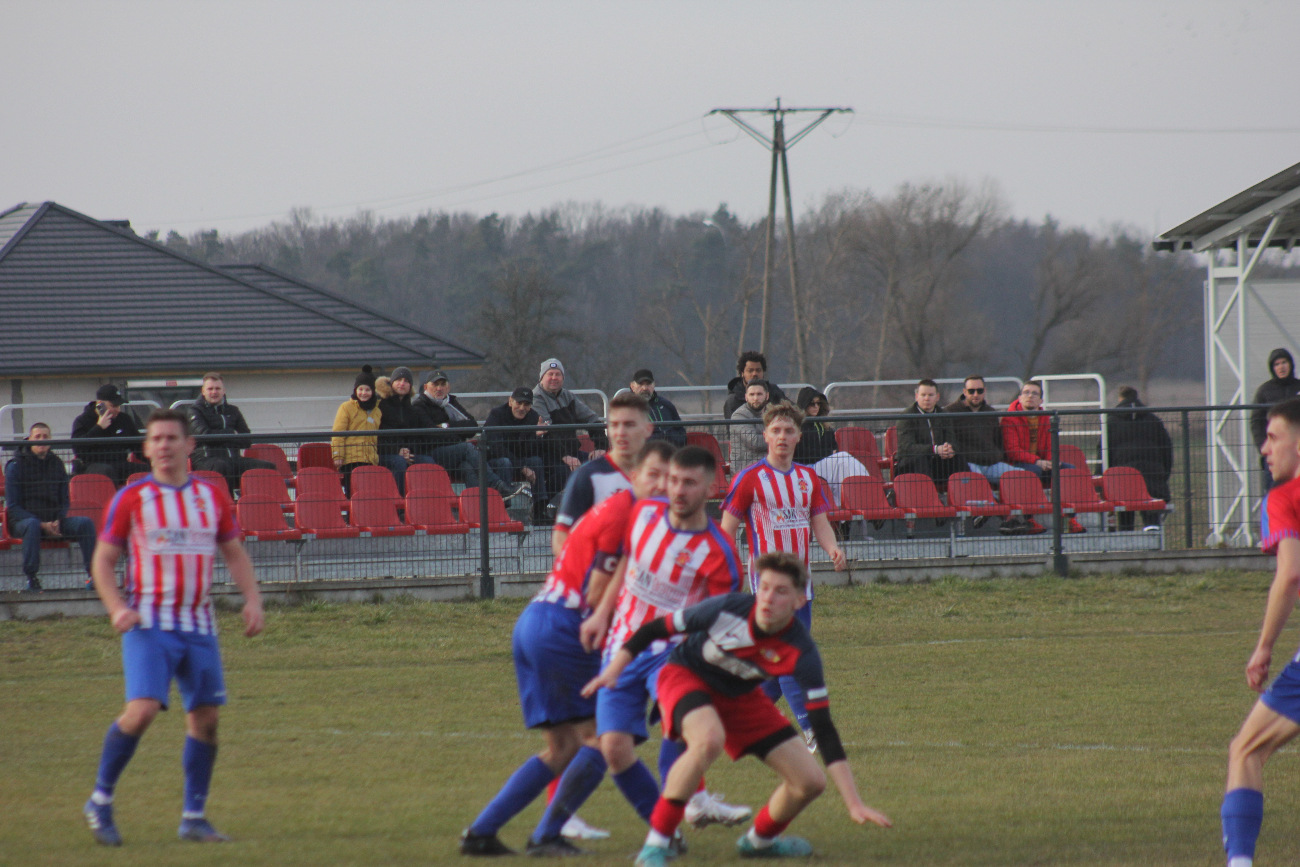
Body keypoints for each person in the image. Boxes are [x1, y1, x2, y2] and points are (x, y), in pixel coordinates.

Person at [583, 552, 891, 867]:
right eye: (765, 587)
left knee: (810, 781)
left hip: (740, 696)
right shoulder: (728, 608)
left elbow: (823, 728)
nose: (768, 598)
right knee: (708, 739)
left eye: (781, 591)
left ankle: (759, 842)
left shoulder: (801, 651)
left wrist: (854, 804)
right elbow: (652, 630)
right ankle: (656, 845)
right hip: (685, 675)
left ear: (800, 600)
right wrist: (613, 670)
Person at [526, 446, 750, 854]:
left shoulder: (720, 554)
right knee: (613, 747)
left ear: (711, 488)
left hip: (672, 658)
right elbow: (626, 565)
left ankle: (667, 831)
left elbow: (721, 623)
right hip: (622, 648)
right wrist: (600, 616)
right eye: (672, 481)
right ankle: (675, 827)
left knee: (682, 731)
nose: (677, 490)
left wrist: (705, 669)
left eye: (689, 483)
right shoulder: (645, 514)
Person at [459, 441, 675, 856]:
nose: (664, 485)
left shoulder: (629, 513)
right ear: (635, 476)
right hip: (565, 628)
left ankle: (481, 833)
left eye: (671, 478)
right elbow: (597, 596)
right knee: (602, 738)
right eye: (655, 475)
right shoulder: (626, 515)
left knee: (564, 747)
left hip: (537, 620)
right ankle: (560, 835)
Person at [82, 408, 263, 847]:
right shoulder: (133, 497)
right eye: (156, 439)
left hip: (198, 622)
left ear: (189, 446)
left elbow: (234, 551)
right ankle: (100, 800)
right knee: (142, 710)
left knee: (206, 720)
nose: (163, 445)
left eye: (171, 438)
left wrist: (253, 600)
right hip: (148, 621)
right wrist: (116, 608)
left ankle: (193, 817)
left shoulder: (210, 496)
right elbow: (103, 560)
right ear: (146, 449)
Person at [721, 402, 847, 750]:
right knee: (790, 654)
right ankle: (811, 728)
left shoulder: (808, 479)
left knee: (779, 661)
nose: (782, 437)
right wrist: (726, 567)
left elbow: (819, 521)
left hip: (800, 586)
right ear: (765, 435)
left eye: (788, 431)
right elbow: (727, 528)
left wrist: (833, 548)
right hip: (767, 588)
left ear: (798, 436)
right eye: (775, 430)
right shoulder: (750, 479)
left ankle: (739, 717)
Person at [1219, 397, 1300, 867]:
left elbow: (1289, 574)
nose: (1264, 450)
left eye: (1272, 437)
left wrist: (1263, 648)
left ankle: (1240, 863)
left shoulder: (1283, 498)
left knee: (1245, 750)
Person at [552, 392, 653, 557]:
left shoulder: (662, 478)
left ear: (648, 429)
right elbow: (560, 537)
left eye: (629, 425)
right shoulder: (587, 476)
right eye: (614, 425)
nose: (620, 432)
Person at [5, 422, 96, 592]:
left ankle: (93, 576)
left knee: (85, 523)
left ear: (51, 441)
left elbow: (64, 499)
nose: (41, 440)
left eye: (45, 436)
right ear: (28, 439)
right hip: (24, 523)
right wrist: (41, 524)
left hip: (54, 521)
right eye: (37, 436)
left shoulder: (57, 464)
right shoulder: (14, 466)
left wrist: (58, 520)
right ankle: (31, 579)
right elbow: (13, 507)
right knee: (32, 525)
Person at [411, 369, 523, 500]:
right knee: (467, 448)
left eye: (442, 384)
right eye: (435, 384)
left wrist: (448, 426)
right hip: (433, 453)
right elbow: (432, 435)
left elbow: (472, 426)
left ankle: (478, 509)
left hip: (455, 453)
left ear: (448, 387)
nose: (439, 388)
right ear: (426, 387)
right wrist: (458, 434)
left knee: (468, 467)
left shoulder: (451, 403)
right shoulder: (419, 406)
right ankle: (497, 485)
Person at [532, 358, 609, 505]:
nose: (554, 378)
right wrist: (564, 456)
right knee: (564, 473)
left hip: (572, 452)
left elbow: (591, 419)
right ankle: (538, 507)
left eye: (558, 374)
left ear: (563, 378)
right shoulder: (536, 398)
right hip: (545, 453)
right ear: (542, 377)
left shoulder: (568, 396)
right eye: (550, 374)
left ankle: (596, 510)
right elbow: (548, 433)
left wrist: (600, 447)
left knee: (601, 465)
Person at [187, 373, 274, 495]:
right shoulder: (195, 411)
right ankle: (229, 506)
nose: (214, 392)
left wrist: (221, 437)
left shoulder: (233, 411)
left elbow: (246, 440)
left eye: (217, 388)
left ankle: (260, 506)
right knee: (222, 466)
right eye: (210, 389)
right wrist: (230, 434)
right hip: (205, 460)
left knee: (267, 467)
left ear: (224, 391)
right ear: (203, 391)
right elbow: (204, 435)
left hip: (233, 459)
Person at [1106, 386, 1173, 531]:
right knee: (1151, 515)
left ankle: (1126, 545)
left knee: (1124, 513)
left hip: (1122, 478)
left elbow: (1104, 452)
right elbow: (1167, 451)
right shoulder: (1153, 420)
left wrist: (1104, 481)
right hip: (1152, 475)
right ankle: (1154, 545)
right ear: (1137, 397)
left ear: (1120, 398)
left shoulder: (1111, 421)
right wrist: (1163, 475)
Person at [794, 388, 871, 503]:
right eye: (812, 403)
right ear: (804, 405)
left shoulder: (823, 426)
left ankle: (863, 495)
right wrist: (827, 454)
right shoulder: (798, 427)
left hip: (822, 466)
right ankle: (853, 500)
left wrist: (827, 453)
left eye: (818, 403)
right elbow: (802, 453)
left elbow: (834, 447)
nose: (816, 406)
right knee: (843, 459)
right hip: (806, 469)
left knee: (846, 461)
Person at [484, 388, 549, 519]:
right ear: (510, 402)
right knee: (505, 462)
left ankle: (539, 509)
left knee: (536, 461)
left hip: (518, 461)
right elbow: (497, 448)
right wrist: (522, 467)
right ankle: (503, 510)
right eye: (518, 403)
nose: (521, 408)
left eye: (526, 405)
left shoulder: (534, 417)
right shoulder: (496, 414)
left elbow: (529, 451)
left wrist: (536, 437)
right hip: (494, 462)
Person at [945, 375, 1018, 483]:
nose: (976, 395)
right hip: (966, 464)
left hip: (991, 464)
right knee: (978, 484)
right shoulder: (950, 412)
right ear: (964, 392)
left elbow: (998, 440)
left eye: (979, 391)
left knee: (1023, 477)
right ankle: (993, 499)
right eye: (971, 391)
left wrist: (997, 455)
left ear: (985, 391)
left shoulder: (991, 413)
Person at [71, 384, 144, 486]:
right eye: (113, 406)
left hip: (120, 464)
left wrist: (154, 461)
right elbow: (78, 449)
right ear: (100, 404)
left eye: (119, 406)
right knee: (107, 471)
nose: (118, 409)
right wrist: (99, 428)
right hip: (93, 466)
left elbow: (138, 446)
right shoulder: (82, 421)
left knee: (146, 471)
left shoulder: (124, 419)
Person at [1251, 349, 1300, 492]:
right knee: (1274, 493)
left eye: (1284, 362)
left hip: (1297, 451)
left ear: (1291, 364)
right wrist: (1263, 446)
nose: (1281, 367)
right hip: (1276, 454)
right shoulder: (1264, 391)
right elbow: (1256, 421)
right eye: (1277, 364)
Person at [895, 380, 963, 482]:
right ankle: (929, 496)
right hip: (910, 465)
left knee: (958, 459)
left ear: (937, 397)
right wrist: (934, 449)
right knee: (921, 459)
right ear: (916, 396)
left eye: (930, 395)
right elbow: (907, 447)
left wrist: (948, 449)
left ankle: (965, 495)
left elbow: (952, 440)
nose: (927, 398)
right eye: (923, 395)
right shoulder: (906, 417)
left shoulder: (944, 415)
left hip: (937, 462)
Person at [331, 365, 382, 498]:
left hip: (370, 458)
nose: (363, 393)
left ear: (373, 391)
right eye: (360, 389)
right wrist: (338, 455)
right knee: (353, 492)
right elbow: (338, 432)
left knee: (368, 493)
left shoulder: (377, 411)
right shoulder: (346, 407)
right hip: (351, 459)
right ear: (355, 390)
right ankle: (351, 517)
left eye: (367, 390)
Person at [375, 367, 422, 496]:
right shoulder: (380, 406)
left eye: (406, 381)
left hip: (404, 454)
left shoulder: (412, 409)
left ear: (410, 386)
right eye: (399, 380)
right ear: (391, 383)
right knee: (399, 462)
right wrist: (397, 450)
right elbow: (378, 436)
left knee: (428, 462)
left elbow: (414, 435)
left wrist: (408, 449)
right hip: (383, 454)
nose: (402, 384)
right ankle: (400, 504)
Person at [1000, 380, 1055, 478]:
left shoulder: (1046, 419)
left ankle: (1055, 493)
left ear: (1041, 401)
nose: (1030, 396)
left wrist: (1051, 462)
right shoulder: (1009, 419)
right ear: (1020, 398)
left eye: (1035, 393)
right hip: (1016, 463)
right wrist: (1037, 461)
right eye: (1026, 392)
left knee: (1068, 470)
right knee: (1035, 471)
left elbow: (1051, 446)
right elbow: (1013, 451)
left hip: (1042, 462)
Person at [630, 369, 687, 448]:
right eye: (640, 384)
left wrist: (673, 441)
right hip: (643, 456)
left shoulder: (666, 405)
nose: (645, 388)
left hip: (671, 453)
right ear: (632, 386)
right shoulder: (627, 409)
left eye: (648, 384)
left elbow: (680, 431)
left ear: (654, 385)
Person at [722, 351, 788, 419]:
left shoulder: (775, 392)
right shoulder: (733, 400)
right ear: (742, 373)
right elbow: (731, 427)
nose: (754, 374)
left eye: (758, 370)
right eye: (750, 370)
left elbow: (792, 413)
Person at [729, 380, 771, 475]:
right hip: (744, 469)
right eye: (752, 394)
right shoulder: (739, 415)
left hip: (768, 467)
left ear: (767, 396)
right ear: (746, 397)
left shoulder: (772, 412)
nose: (755, 398)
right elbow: (755, 442)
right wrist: (777, 439)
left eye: (759, 394)